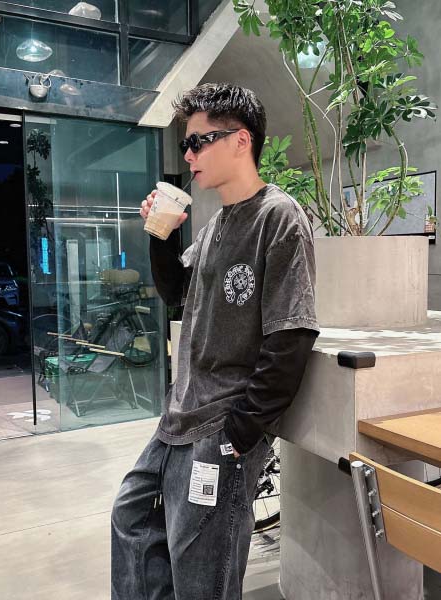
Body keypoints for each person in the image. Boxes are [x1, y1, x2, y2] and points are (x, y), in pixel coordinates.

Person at [111, 82, 320, 600]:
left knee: (201, 568)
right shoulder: (215, 226)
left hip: (221, 424)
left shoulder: (279, 218)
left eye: (198, 141)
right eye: (187, 144)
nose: (188, 154)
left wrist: (241, 433)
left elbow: (292, 333)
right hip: (180, 415)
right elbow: (177, 292)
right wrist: (161, 235)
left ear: (241, 141)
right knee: (132, 518)